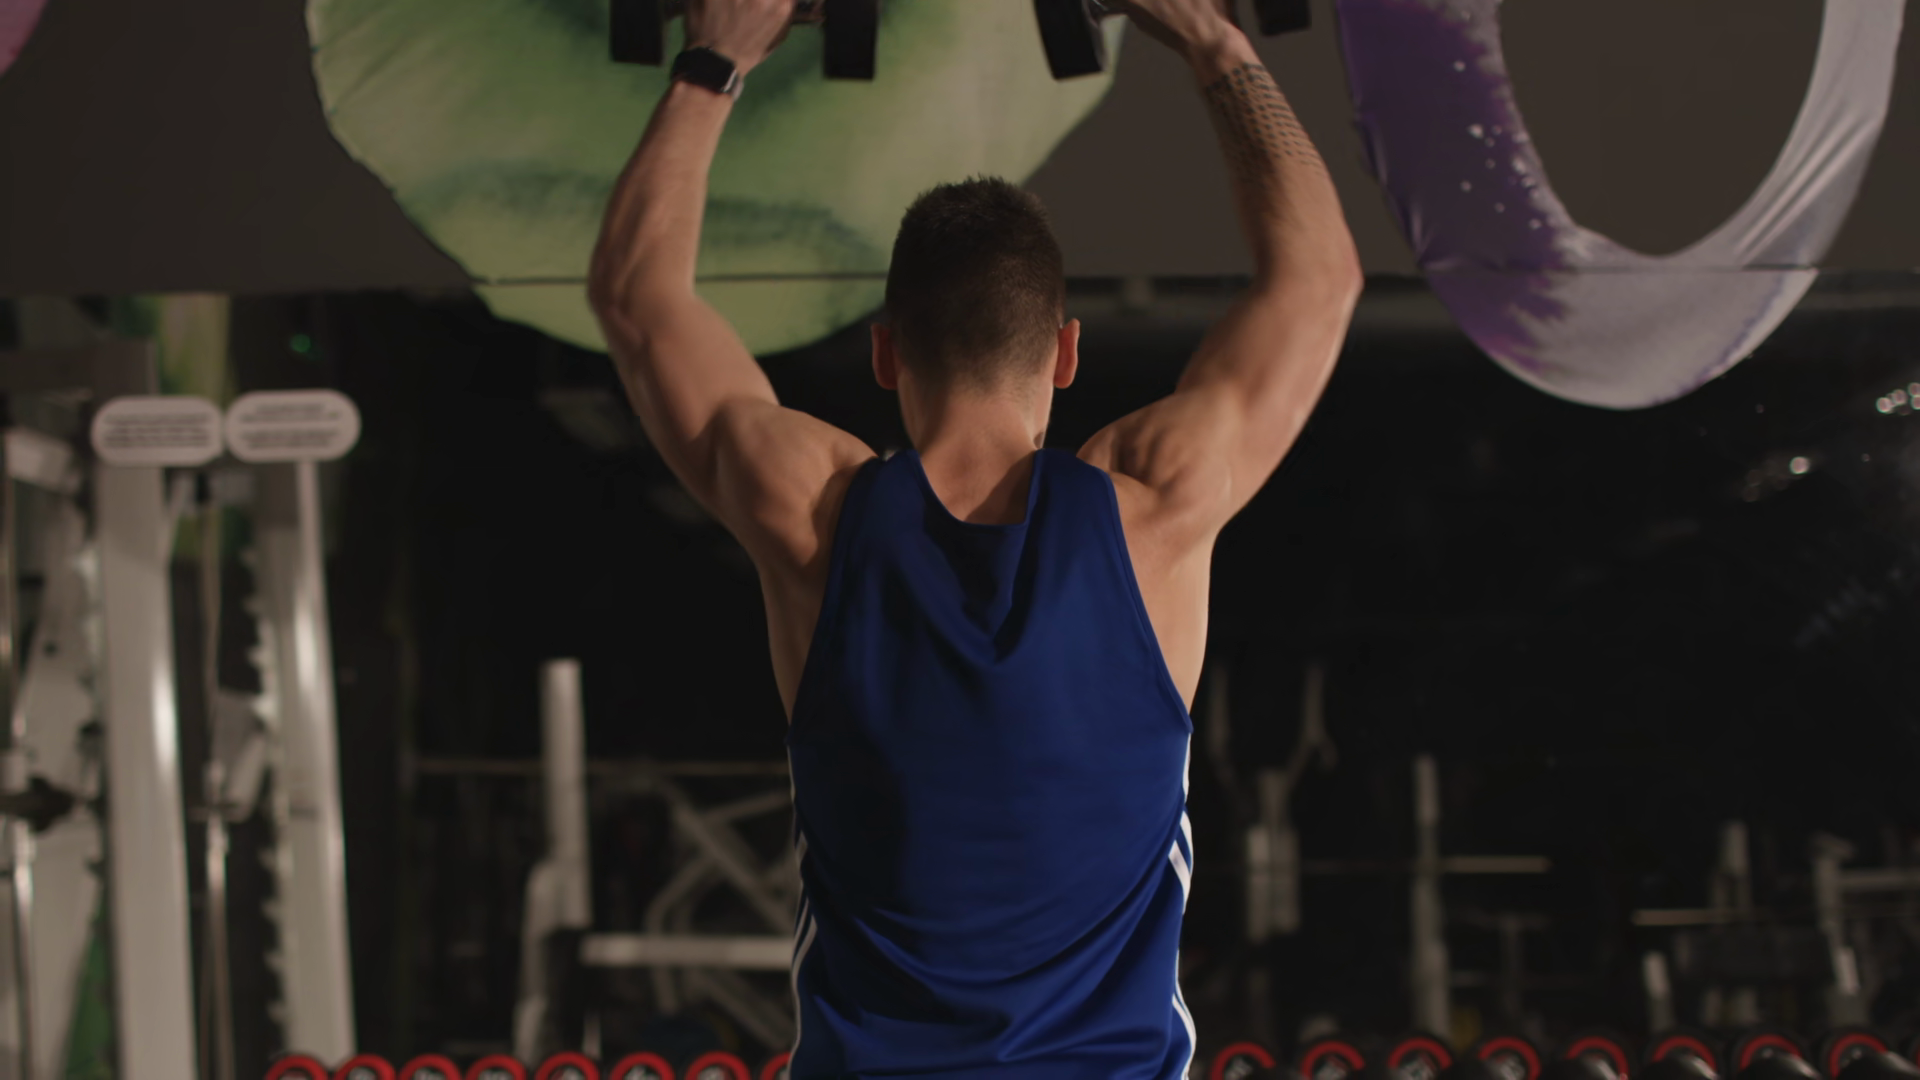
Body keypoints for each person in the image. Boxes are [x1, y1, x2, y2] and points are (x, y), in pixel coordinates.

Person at [587, 0, 1361, 1071]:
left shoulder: (811, 512)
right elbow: (1319, 283)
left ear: (886, 353)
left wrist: (716, 58)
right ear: (1066, 352)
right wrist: (1212, 42)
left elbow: (635, 298)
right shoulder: (1157, 509)